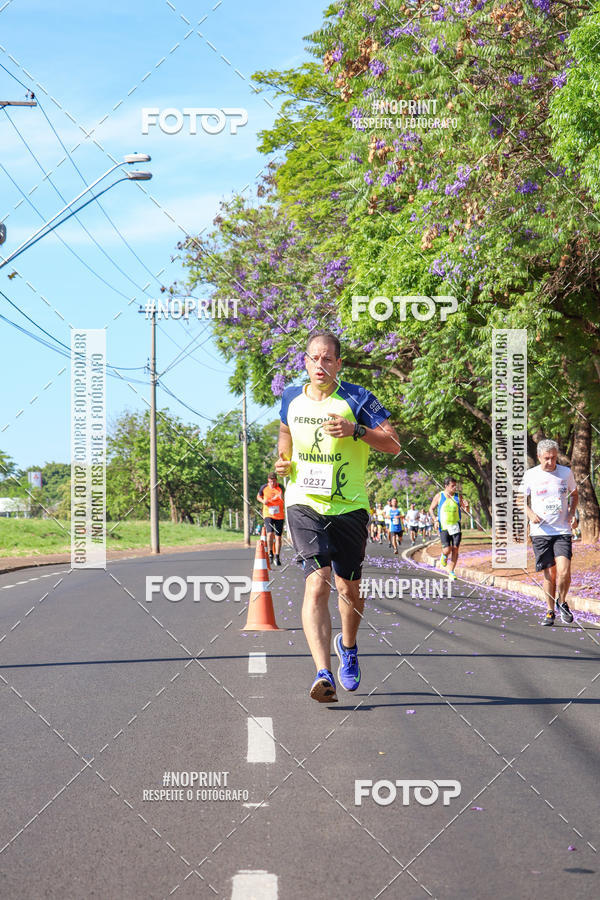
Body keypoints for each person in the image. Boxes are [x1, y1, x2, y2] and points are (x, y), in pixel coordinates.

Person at [275, 330, 401, 703]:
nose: (320, 364)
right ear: (305, 362)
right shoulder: (290, 398)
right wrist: (283, 460)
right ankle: (323, 672)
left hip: (349, 505)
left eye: (327, 358)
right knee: (317, 581)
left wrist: (356, 430)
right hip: (303, 501)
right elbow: (285, 430)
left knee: (348, 588)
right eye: (314, 358)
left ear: (338, 364)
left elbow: (394, 444)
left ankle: (348, 646)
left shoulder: (358, 397)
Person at [520, 439, 577, 626]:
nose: (550, 462)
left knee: (564, 571)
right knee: (550, 574)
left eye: (553, 458)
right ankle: (550, 610)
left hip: (562, 530)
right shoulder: (530, 475)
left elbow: (574, 495)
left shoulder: (566, 473)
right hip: (540, 532)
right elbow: (520, 500)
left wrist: (571, 513)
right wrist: (530, 514)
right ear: (539, 457)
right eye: (546, 458)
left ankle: (562, 602)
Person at [429, 477, 469, 580]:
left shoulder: (458, 496)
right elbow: (431, 509)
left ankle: (451, 571)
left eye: (455, 485)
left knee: (455, 549)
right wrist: (435, 520)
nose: (455, 487)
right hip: (444, 527)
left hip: (456, 526)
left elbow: (466, 511)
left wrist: (467, 506)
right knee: (447, 549)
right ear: (446, 486)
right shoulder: (439, 496)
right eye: (452, 486)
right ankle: (444, 555)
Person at [256, 473, 285, 565]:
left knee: (278, 537)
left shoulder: (281, 487)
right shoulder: (264, 487)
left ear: (276, 480)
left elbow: (285, 497)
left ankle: (277, 556)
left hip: (279, 515)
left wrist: (281, 497)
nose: (272, 483)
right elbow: (258, 497)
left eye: (274, 481)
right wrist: (263, 501)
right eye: (270, 482)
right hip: (268, 514)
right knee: (270, 533)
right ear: (268, 481)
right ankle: (270, 553)